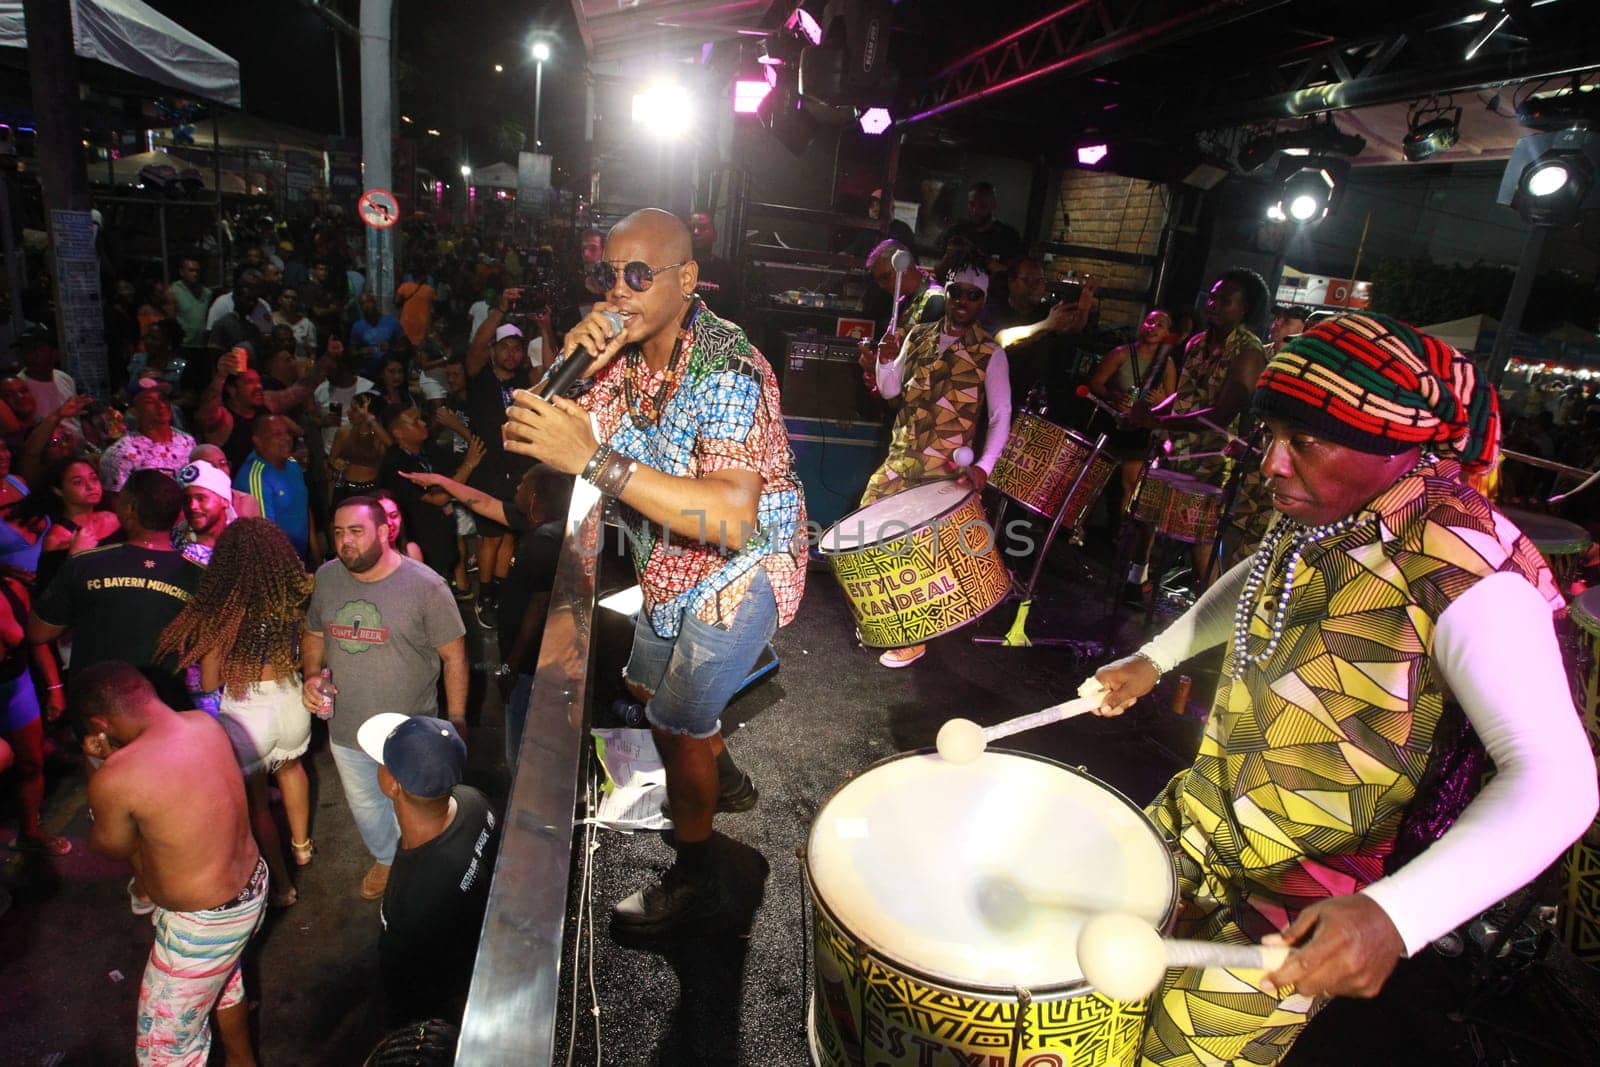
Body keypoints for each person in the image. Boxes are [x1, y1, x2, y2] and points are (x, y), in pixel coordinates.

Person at [1085, 311, 1598, 1066]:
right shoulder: (1329, 506)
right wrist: (1158, 656)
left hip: (1296, 901)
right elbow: (1260, 573)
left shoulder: (1467, 564)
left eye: (1305, 441)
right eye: (1272, 435)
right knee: (1086, 1011)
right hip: (1199, 820)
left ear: (1394, 446)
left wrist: (1396, 916)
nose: (1271, 464)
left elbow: (1558, 782)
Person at [502, 208, 806, 935]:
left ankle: (698, 872)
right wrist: (570, 363)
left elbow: (731, 517)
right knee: (643, 684)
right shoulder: (624, 357)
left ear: (686, 279)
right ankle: (718, 769)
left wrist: (596, 460)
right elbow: (531, 435)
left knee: (673, 718)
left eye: (638, 274)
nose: (619, 291)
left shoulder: (729, 365)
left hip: (742, 563)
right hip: (668, 552)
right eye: (608, 274)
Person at [75, 661, 266, 1067]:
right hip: (250, 891)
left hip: (203, 926)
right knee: (223, 983)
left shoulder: (118, 775)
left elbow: (111, 845)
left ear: (99, 724)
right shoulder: (203, 723)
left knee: (162, 1051)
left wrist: (101, 763)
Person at [301, 496, 468, 901]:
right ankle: (386, 859)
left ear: (383, 531)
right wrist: (309, 676)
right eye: (338, 533)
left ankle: (425, 866)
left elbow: (454, 657)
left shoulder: (427, 586)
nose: (345, 543)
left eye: (355, 532)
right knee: (366, 804)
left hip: (410, 731)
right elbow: (315, 634)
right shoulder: (327, 578)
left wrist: (458, 721)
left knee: (422, 809)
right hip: (347, 725)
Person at [858, 257, 1011, 668]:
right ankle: (891, 619)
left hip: (944, 467)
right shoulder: (918, 335)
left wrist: (985, 466)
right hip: (902, 455)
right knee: (870, 531)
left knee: (920, 551)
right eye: (956, 292)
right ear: (946, 292)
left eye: (973, 296)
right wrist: (885, 360)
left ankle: (912, 636)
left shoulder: (990, 353)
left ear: (982, 301)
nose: (962, 301)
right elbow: (891, 390)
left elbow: (1000, 417)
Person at [158, 519, 316, 909]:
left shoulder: (223, 611)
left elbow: (210, 682)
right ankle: (302, 848)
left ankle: (282, 885)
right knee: (293, 769)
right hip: (293, 703)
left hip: (248, 714)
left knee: (258, 803)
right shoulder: (294, 599)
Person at [1127, 268, 1273, 590]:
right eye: (1213, 297)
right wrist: (1151, 411)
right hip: (1177, 448)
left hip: (1217, 458)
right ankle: (1137, 584)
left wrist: (1160, 421)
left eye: (1225, 301)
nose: (1214, 305)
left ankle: (1208, 607)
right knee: (1145, 514)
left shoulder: (1249, 352)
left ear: (1244, 308)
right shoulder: (1196, 343)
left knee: (1200, 537)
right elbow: (1186, 394)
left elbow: (1221, 415)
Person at [357, 712, 498, 1024]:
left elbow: (403, 983)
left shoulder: (410, 898)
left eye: (383, 761)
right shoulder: (474, 800)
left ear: (392, 784)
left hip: (435, 1004)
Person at [28, 470, 202, 708]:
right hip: (166, 709)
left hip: (99, 708)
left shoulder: (84, 564)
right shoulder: (198, 575)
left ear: (129, 509)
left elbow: (39, 631)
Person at [461, 306, 540, 628]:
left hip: (520, 468)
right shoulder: (481, 378)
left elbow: (548, 369)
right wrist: (501, 310)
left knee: (510, 534)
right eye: (505, 346)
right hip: (490, 468)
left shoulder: (524, 380)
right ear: (494, 351)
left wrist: (545, 328)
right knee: (489, 538)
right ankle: (486, 596)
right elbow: (476, 348)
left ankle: (502, 590)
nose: (512, 353)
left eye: (518, 348)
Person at [0, 559, 68, 855]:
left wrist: (55, 688)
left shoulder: (13, 587)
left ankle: (30, 832)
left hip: (16, 686)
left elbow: (35, 639)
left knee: (31, 762)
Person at [1086, 308, 1179, 512]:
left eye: (1160, 325)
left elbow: (1173, 401)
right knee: (1092, 480)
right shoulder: (1121, 353)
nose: (1153, 327)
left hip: (1141, 431)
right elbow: (1096, 383)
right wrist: (1114, 396)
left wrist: (1161, 400)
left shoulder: (1167, 364)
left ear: (1166, 334)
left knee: (1130, 485)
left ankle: (1120, 534)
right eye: (1149, 322)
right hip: (1112, 424)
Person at [378, 404, 480, 578]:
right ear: (398, 432)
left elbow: (463, 462)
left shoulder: (429, 449)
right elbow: (439, 499)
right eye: (415, 421)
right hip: (418, 541)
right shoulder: (396, 463)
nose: (423, 424)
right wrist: (469, 465)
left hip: (443, 535)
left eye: (421, 419)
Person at [236, 414, 317, 564]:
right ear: (258, 441)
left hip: (300, 559)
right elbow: (264, 538)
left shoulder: (292, 464)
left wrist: (316, 557)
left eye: (287, 432)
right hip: (277, 566)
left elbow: (304, 508)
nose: (286, 438)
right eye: (277, 434)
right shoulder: (255, 477)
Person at [98, 382, 196, 492]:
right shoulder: (121, 453)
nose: (161, 405)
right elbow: (116, 500)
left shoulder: (187, 441)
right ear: (134, 411)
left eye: (163, 399)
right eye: (150, 402)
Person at [937, 181, 1023, 275]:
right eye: (971, 204)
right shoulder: (956, 231)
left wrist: (980, 256)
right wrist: (950, 255)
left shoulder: (1008, 236)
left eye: (982, 206)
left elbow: (1011, 275)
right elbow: (938, 273)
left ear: (993, 205)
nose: (975, 210)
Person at [172, 459, 235, 565]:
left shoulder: (244, 540)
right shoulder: (173, 542)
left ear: (224, 500)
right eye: (186, 499)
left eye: (201, 498)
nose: (192, 506)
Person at [686, 212, 741, 321]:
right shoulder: (676, 266)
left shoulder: (725, 271)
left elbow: (732, 310)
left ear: (715, 235)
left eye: (702, 227)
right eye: (691, 228)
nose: (696, 232)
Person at [350, 292, 406, 379]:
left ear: (375, 302)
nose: (366, 305)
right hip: (368, 374)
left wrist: (391, 348)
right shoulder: (357, 327)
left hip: (390, 375)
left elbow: (405, 347)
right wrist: (361, 352)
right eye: (362, 304)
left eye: (368, 301)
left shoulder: (392, 322)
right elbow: (351, 353)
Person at [170, 255, 212, 355]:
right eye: (191, 270)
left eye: (197, 271)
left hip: (201, 346)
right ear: (182, 272)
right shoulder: (173, 291)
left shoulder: (206, 293)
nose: (195, 274)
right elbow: (170, 319)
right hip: (181, 346)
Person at [272, 286, 318, 358]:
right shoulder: (270, 320)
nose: (290, 300)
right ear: (279, 299)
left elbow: (312, 353)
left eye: (294, 299)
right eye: (286, 297)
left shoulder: (307, 324)